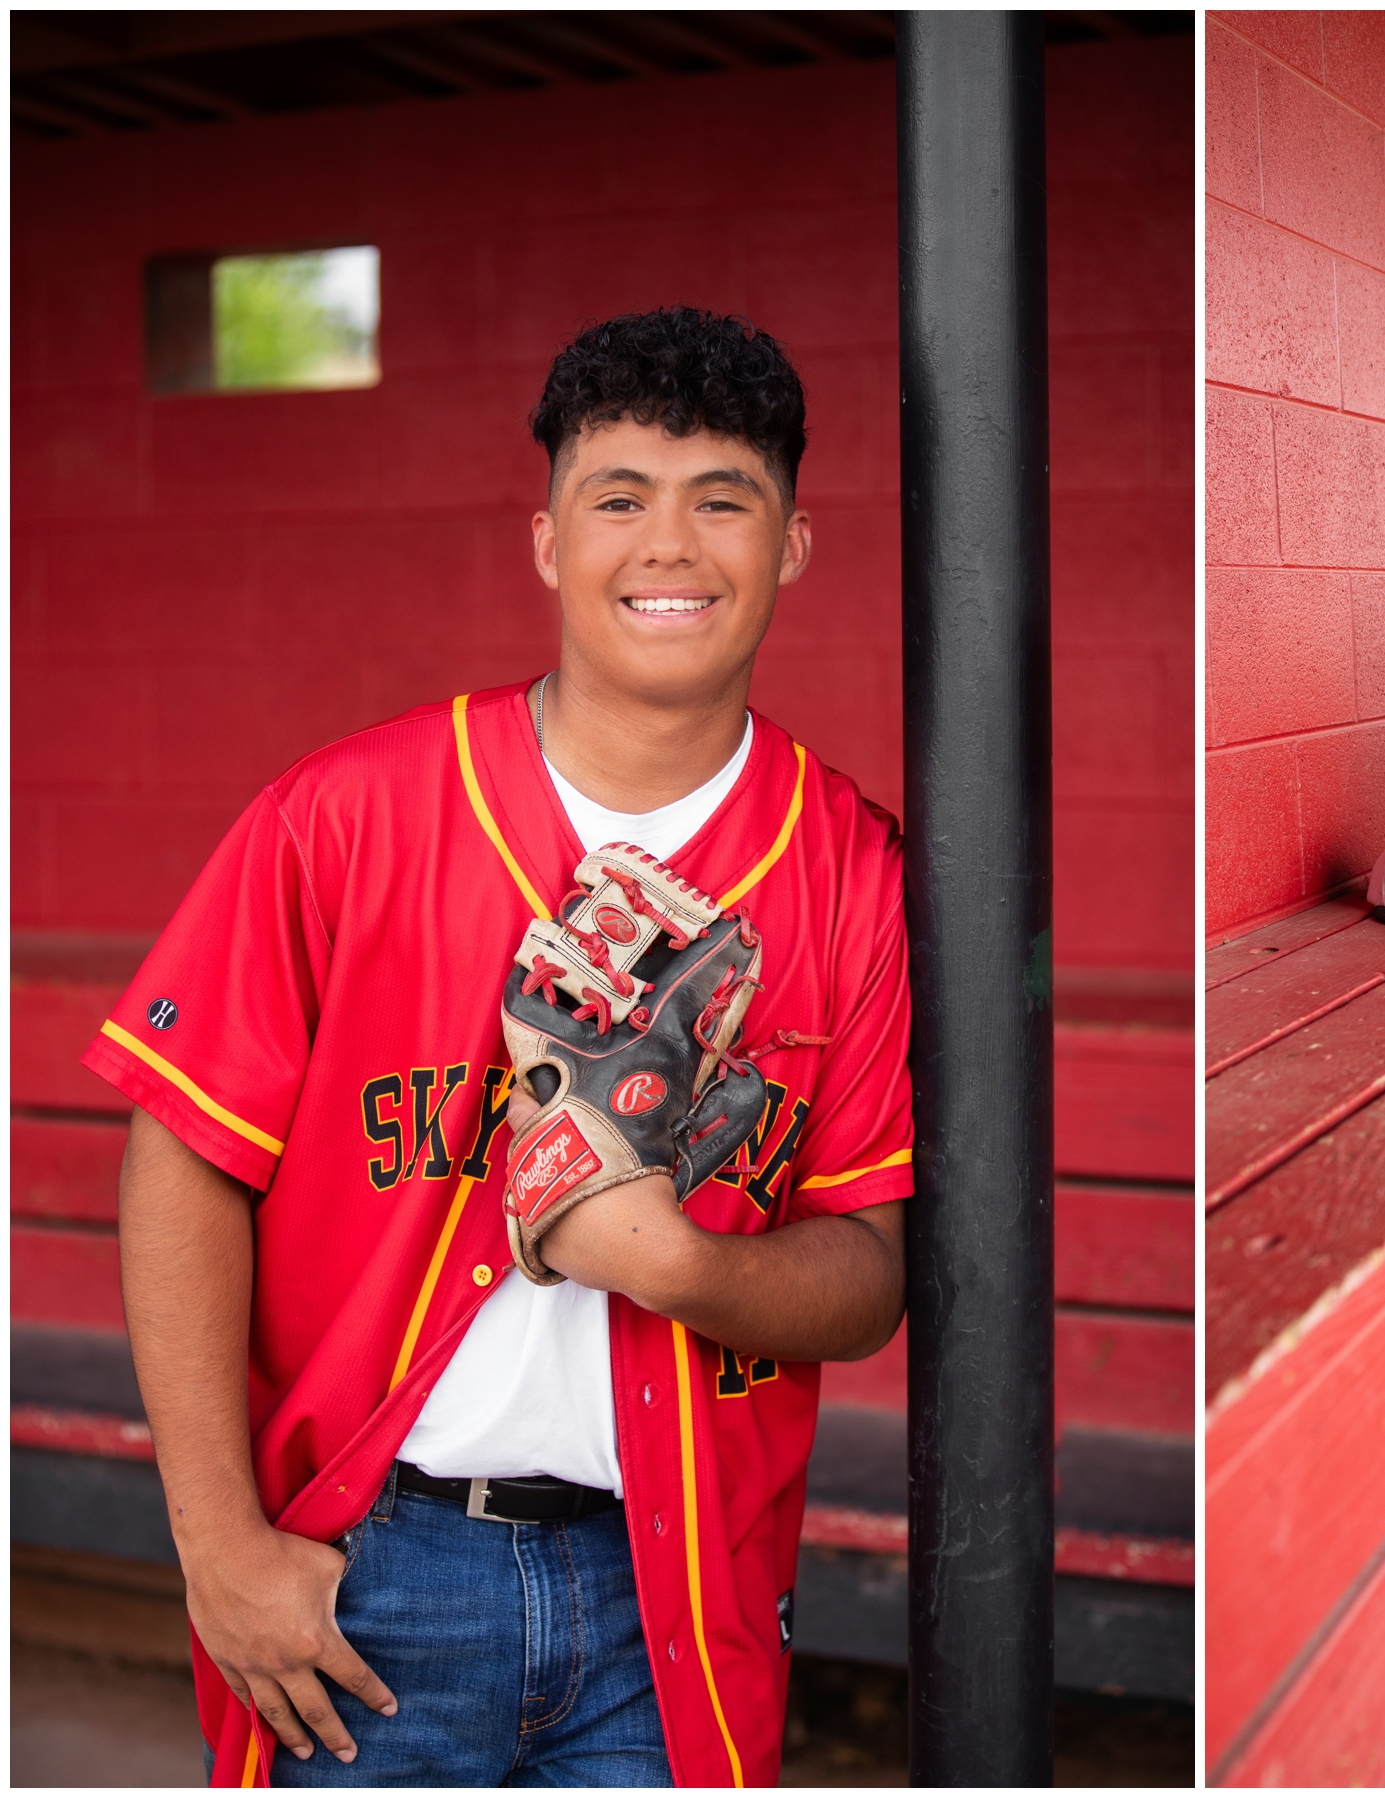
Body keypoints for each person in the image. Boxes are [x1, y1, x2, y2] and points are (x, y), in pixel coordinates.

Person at [93, 307, 913, 1786]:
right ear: (548, 541)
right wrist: (216, 1543)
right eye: (620, 499)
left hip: (671, 1593)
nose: (670, 546)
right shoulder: (349, 816)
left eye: (723, 499)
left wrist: (672, 1263)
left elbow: (867, 1266)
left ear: (792, 543)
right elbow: (183, 1155)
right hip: (369, 1567)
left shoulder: (851, 871)